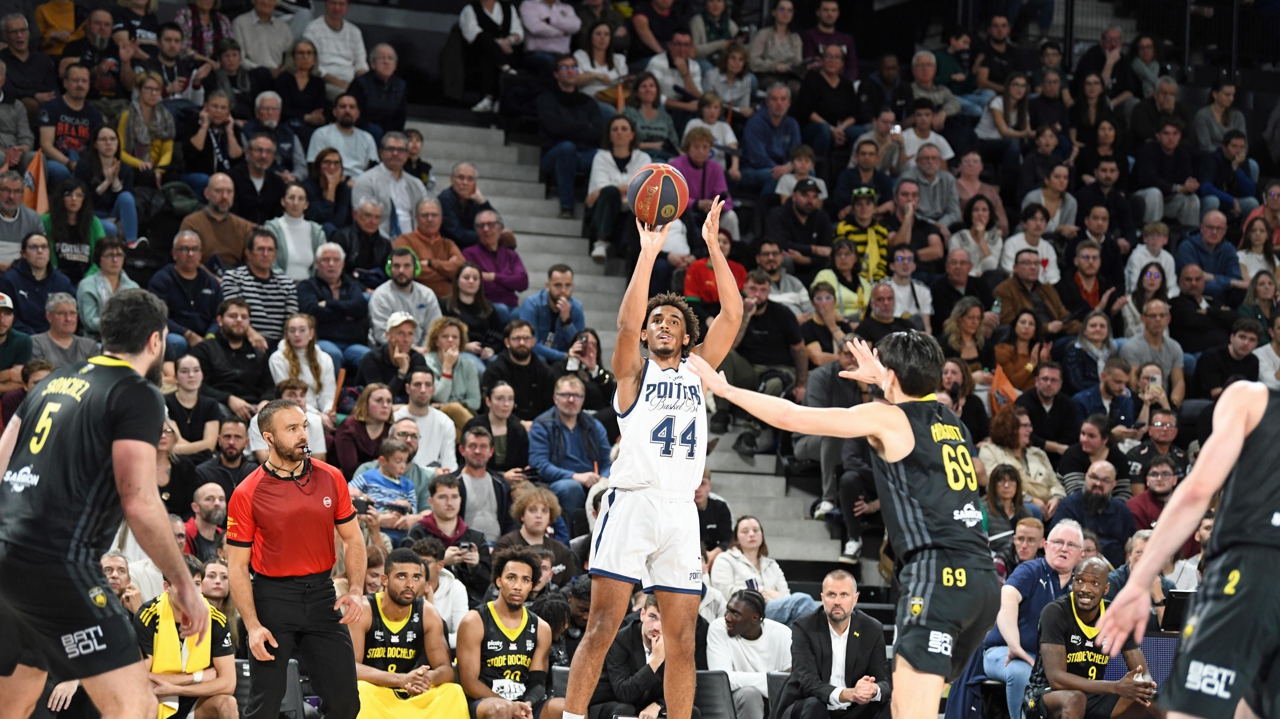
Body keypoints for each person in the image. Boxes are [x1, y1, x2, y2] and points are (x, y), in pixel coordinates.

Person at [692, 331, 1002, 717]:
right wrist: (888, 380)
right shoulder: (954, 421)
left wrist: (726, 389)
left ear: (889, 376)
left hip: (938, 576)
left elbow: (793, 416)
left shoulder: (887, 417)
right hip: (983, 580)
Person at [0, 289, 203, 719]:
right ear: (155, 341)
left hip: (6, 554)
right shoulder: (137, 393)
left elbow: (2, 459)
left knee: (15, 701)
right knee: (136, 707)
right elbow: (141, 502)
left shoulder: (55, 379)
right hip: (57, 561)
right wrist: (185, 585)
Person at [226, 397, 365, 719]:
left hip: (322, 595)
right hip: (273, 597)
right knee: (265, 705)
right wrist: (252, 625)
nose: (303, 435)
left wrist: (356, 589)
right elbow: (236, 565)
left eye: (304, 426)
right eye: (292, 429)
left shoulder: (331, 477)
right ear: (268, 438)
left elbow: (353, 537)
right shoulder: (248, 492)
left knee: (346, 702)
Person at [1023, 557, 1160, 719]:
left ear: (1106, 589)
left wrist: (1143, 687)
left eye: (1094, 584)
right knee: (1075, 699)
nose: (1085, 589)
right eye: (1079, 581)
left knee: (1155, 702)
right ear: (1072, 583)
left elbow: (1142, 672)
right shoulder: (1055, 612)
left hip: (1092, 694)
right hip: (1044, 694)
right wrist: (1115, 687)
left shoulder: (1115, 616)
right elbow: (1056, 679)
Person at [347, 548, 468, 719]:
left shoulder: (428, 613)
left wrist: (428, 677)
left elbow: (446, 670)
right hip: (377, 692)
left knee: (453, 691)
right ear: (385, 580)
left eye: (416, 577)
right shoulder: (364, 610)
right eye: (402, 576)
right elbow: (351, 667)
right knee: (360, 691)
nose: (410, 584)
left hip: (413, 692)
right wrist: (400, 679)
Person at [457, 547, 563, 718]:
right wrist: (509, 706)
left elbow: (537, 682)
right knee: (500, 710)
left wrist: (525, 705)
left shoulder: (541, 628)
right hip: (484, 701)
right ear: (499, 581)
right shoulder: (474, 621)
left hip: (523, 704)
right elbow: (469, 683)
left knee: (567, 708)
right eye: (511, 578)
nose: (517, 586)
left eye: (525, 580)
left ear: (531, 585)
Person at [133, 554, 239, 717]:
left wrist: (177, 688)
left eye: (196, 584)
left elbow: (228, 683)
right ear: (166, 587)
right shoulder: (148, 616)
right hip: (156, 699)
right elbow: (141, 680)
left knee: (227, 703)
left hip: (195, 701)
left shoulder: (216, 619)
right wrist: (198, 676)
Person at [716, 269, 808, 454]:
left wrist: (801, 383)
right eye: (752, 289)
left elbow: (800, 350)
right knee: (722, 353)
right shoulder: (734, 312)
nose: (757, 295)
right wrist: (746, 317)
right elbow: (730, 346)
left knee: (774, 382)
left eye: (762, 290)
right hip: (749, 370)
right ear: (744, 288)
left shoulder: (783, 313)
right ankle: (722, 412)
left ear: (768, 292)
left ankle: (749, 432)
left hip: (779, 369)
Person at [709, 515, 821, 625]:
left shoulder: (772, 564)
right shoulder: (725, 559)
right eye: (745, 531)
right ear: (736, 538)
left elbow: (786, 596)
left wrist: (767, 594)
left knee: (797, 623)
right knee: (802, 601)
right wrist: (761, 593)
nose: (751, 534)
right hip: (742, 611)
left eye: (755, 530)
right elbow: (725, 592)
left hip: (773, 611)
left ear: (762, 535)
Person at [706, 589, 794, 719]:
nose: (727, 618)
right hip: (736, 700)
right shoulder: (718, 628)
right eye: (728, 610)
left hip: (776, 700)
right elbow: (721, 680)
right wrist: (771, 680)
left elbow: (791, 681)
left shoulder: (783, 633)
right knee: (749, 694)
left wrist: (777, 682)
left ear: (755, 618)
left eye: (735, 614)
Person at [537, 55, 603, 219]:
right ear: (556, 74)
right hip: (554, 153)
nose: (570, 72)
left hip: (585, 152)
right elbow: (553, 128)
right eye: (565, 68)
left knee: (603, 156)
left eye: (574, 67)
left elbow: (598, 132)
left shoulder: (588, 102)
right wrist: (583, 126)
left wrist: (568, 127)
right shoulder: (546, 99)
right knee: (567, 148)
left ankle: (594, 212)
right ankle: (567, 206)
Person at [188, 298, 276, 420]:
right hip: (218, 405)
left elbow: (269, 387)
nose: (239, 320)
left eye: (244, 317)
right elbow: (198, 386)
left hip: (254, 408)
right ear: (219, 320)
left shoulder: (258, 353)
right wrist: (228, 399)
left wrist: (265, 402)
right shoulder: (204, 349)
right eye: (233, 316)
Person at [981, 405, 1064, 518]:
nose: (1030, 430)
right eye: (1025, 426)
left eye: (1030, 425)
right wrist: (1030, 500)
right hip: (1014, 504)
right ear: (1010, 428)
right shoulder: (990, 451)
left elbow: (1055, 484)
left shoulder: (1038, 454)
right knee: (1032, 510)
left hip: (1047, 505)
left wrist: (1056, 498)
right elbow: (993, 485)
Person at [221, 228, 299, 344]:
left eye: (270, 250)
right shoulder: (233, 278)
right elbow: (234, 315)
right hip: (245, 340)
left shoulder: (286, 282)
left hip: (279, 344)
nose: (266, 254)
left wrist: (285, 347)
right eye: (260, 249)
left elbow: (291, 320)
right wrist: (252, 335)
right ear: (248, 253)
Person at [1050, 460, 1135, 567]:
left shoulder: (1122, 510)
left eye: (1105, 480)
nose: (1098, 484)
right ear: (1085, 477)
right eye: (1094, 477)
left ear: (1114, 484)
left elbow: (1131, 545)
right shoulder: (1068, 506)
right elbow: (1057, 543)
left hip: (1115, 573)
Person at [38, 63, 101, 190]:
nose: (80, 85)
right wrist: (69, 163)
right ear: (65, 83)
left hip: (83, 161)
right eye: (75, 80)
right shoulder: (51, 107)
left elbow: (97, 147)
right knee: (61, 172)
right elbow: (46, 145)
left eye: (84, 81)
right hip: (56, 160)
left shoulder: (94, 113)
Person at [75, 126, 141, 246]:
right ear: (95, 144)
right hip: (90, 215)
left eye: (112, 139)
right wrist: (106, 183)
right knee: (110, 228)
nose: (109, 143)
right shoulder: (84, 167)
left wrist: (114, 179)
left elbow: (126, 203)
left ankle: (132, 243)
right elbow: (82, 200)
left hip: (113, 215)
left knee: (126, 196)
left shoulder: (125, 169)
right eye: (103, 139)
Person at [481, 319, 557, 422]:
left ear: (533, 342)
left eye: (526, 338)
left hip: (539, 428)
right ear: (507, 342)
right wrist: (519, 425)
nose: (522, 343)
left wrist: (536, 426)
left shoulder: (546, 372)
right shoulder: (495, 371)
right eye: (516, 338)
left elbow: (551, 408)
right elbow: (489, 408)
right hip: (505, 425)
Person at [0, 232, 74, 335]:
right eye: (33, 247)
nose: (40, 251)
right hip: (23, 339)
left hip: (56, 338)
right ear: (23, 254)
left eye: (44, 247)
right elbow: (8, 318)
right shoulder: (9, 280)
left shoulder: (62, 281)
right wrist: (34, 338)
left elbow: (71, 314)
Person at [178, 173, 256, 269]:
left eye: (229, 192)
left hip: (236, 277)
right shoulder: (191, 223)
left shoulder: (244, 226)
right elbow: (188, 260)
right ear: (207, 193)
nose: (224, 196)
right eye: (218, 191)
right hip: (202, 277)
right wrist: (214, 280)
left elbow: (251, 261)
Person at [1133, 118, 1201, 228]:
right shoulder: (1148, 150)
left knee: (1192, 199)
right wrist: (1178, 188)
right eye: (1166, 134)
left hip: (1169, 200)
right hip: (1143, 197)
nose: (1171, 138)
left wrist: (1190, 184)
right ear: (1158, 135)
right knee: (1155, 193)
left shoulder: (1182, 152)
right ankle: (1151, 236)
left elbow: (1186, 176)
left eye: (1175, 134)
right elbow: (1149, 180)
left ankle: (1188, 239)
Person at [269, 313, 336, 420]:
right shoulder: (278, 359)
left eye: (302, 330)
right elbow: (287, 398)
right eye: (292, 330)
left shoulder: (325, 358)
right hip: (292, 412)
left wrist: (328, 411)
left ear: (311, 333)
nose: (297, 334)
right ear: (286, 334)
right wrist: (318, 416)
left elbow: (328, 394)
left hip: (320, 414)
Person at [740, 83, 802, 195]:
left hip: (782, 167)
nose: (779, 103)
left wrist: (789, 166)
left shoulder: (792, 124)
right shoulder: (755, 122)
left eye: (783, 99)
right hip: (754, 168)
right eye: (774, 99)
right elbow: (757, 158)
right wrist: (782, 169)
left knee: (808, 172)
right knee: (777, 177)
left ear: (789, 103)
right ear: (767, 102)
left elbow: (797, 153)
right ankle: (764, 209)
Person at [117, 71, 174, 189]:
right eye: (149, 88)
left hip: (158, 165)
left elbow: (167, 150)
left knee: (173, 174)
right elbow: (119, 151)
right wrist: (139, 164)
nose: (153, 93)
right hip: (136, 164)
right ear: (139, 90)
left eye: (157, 89)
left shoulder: (166, 116)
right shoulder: (127, 116)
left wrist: (159, 170)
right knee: (146, 175)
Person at [518, 264, 585, 364]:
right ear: (548, 286)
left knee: (576, 363)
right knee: (539, 360)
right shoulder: (532, 304)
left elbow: (581, 344)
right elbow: (530, 343)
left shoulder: (576, 308)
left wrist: (567, 322)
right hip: (538, 358)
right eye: (558, 285)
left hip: (564, 361)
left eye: (568, 285)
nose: (563, 291)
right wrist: (563, 356)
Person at [43, 179, 106, 285]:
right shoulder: (47, 221)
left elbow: (102, 253)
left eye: (79, 195)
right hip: (55, 279)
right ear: (61, 197)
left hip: (87, 280)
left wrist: (87, 280)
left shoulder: (93, 223)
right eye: (69, 195)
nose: (74, 199)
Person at [304, 0, 367, 100]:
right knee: (349, 98)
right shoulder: (313, 29)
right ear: (325, 4)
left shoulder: (354, 32)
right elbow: (315, 66)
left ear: (347, 7)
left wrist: (366, 85)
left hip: (351, 84)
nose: (337, 8)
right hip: (325, 83)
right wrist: (343, 85)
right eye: (333, 3)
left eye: (341, 4)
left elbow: (361, 66)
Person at [264, 182, 326, 281]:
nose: (296, 203)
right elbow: (268, 262)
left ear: (306, 204)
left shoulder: (316, 231)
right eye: (291, 197)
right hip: (277, 287)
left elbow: (322, 263)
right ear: (283, 201)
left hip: (309, 289)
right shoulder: (271, 228)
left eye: (301, 199)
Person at [2, 14, 59, 123]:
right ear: (5, 36)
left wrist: (51, 97)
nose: (19, 35)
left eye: (23, 30)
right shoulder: (1, 60)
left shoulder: (43, 59)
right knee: (30, 105)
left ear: (28, 32)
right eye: (14, 32)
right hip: (14, 105)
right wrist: (34, 95)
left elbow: (53, 86)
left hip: (45, 101)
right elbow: (7, 90)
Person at [182, 91, 242, 193]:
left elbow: (237, 158)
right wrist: (204, 126)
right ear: (205, 107)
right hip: (196, 174)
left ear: (228, 112)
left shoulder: (232, 128)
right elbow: (192, 153)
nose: (218, 111)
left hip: (223, 175)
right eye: (214, 106)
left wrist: (230, 132)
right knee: (207, 181)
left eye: (223, 108)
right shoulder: (192, 123)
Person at [76, 237, 136, 339]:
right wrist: (119, 325)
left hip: (127, 341)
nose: (115, 260)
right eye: (109, 255)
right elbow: (89, 321)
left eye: (119, 255)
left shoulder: (133, 287)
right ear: (99, 258)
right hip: (96, 340)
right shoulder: (87, 285)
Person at [307, 94, 378, 179]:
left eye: (352, 107)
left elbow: (374, 169)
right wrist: (345, 181)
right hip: (332, 182)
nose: (347, 110)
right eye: (342, 106)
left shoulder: (367, 138)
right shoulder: (321, 134)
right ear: (334, 112)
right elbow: (315, 167)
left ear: (358, 113)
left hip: (362, 184)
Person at [348, 44, 406, 142]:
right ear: (373, 64)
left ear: (395, 65)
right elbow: (357, 115)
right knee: (376, 131)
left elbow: (401, 117)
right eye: (382, 58)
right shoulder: (360, 83)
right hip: (365, 128)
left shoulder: (401, 85)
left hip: (389, 129)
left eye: (390, 59)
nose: (386, 62)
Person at [1194, 318, 1261, 399]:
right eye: (1242, 337)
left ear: (1256, 344)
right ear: (1232, 338)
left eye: (1252, 340)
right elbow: (1216, 394)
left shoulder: (1253, 361)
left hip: (1236, 402)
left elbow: (1250, 392)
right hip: (1206, 403)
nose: (1246, 343)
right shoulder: (1212, 356)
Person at [1198, 129, 1257, 220]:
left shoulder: (1242, 161)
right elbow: (1206, 188)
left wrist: (1237, 169)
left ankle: (1245, 233)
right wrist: (1231, 200)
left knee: (1252, 203)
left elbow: (1251, 192)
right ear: (1224, 147)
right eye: (1234, 146)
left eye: (1242, 147)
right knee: (1212, 201)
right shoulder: (1212, 159)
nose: (1238, 151)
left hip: (1234, 201)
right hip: (1218, 199)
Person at [196, 416, 258, 494]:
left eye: (238, 437)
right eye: (227, 437)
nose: (231, 442)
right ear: (219, 440)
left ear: (246, 442)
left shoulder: (255, 472)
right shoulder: (203, 472)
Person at [232, 0, 294, 73]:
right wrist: (265, 72)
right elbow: (239, 59)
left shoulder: (284, 28)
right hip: (251, 75)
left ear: (276, 2)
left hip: (279, 77)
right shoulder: (240, 23)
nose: (266, 2)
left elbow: (291, 58)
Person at [305, 148, 353, 235]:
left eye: (336, 163)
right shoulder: (308, 187)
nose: (332, 167)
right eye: (327, 162)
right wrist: (331, 188)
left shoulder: (344, 190)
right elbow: (320, 219)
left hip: (339, 236)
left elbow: (340, 221)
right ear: (319, 167)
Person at [0, 172, 42, 267]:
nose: (11, 196)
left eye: (17, 191)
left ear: (23, 195)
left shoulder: (33, 219)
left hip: (21, 277)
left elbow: (39, 253)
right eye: (6, 190)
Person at [704, 43, 755, 120]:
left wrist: (742, 111)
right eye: (733, 58)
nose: (736, 62)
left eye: (740, 60)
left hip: (735, 118)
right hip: (713, 115)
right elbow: (709, 103)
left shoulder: (746, 80)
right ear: (726, 60)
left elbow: (744, 108)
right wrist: (737, 110)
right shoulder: (712, 76)